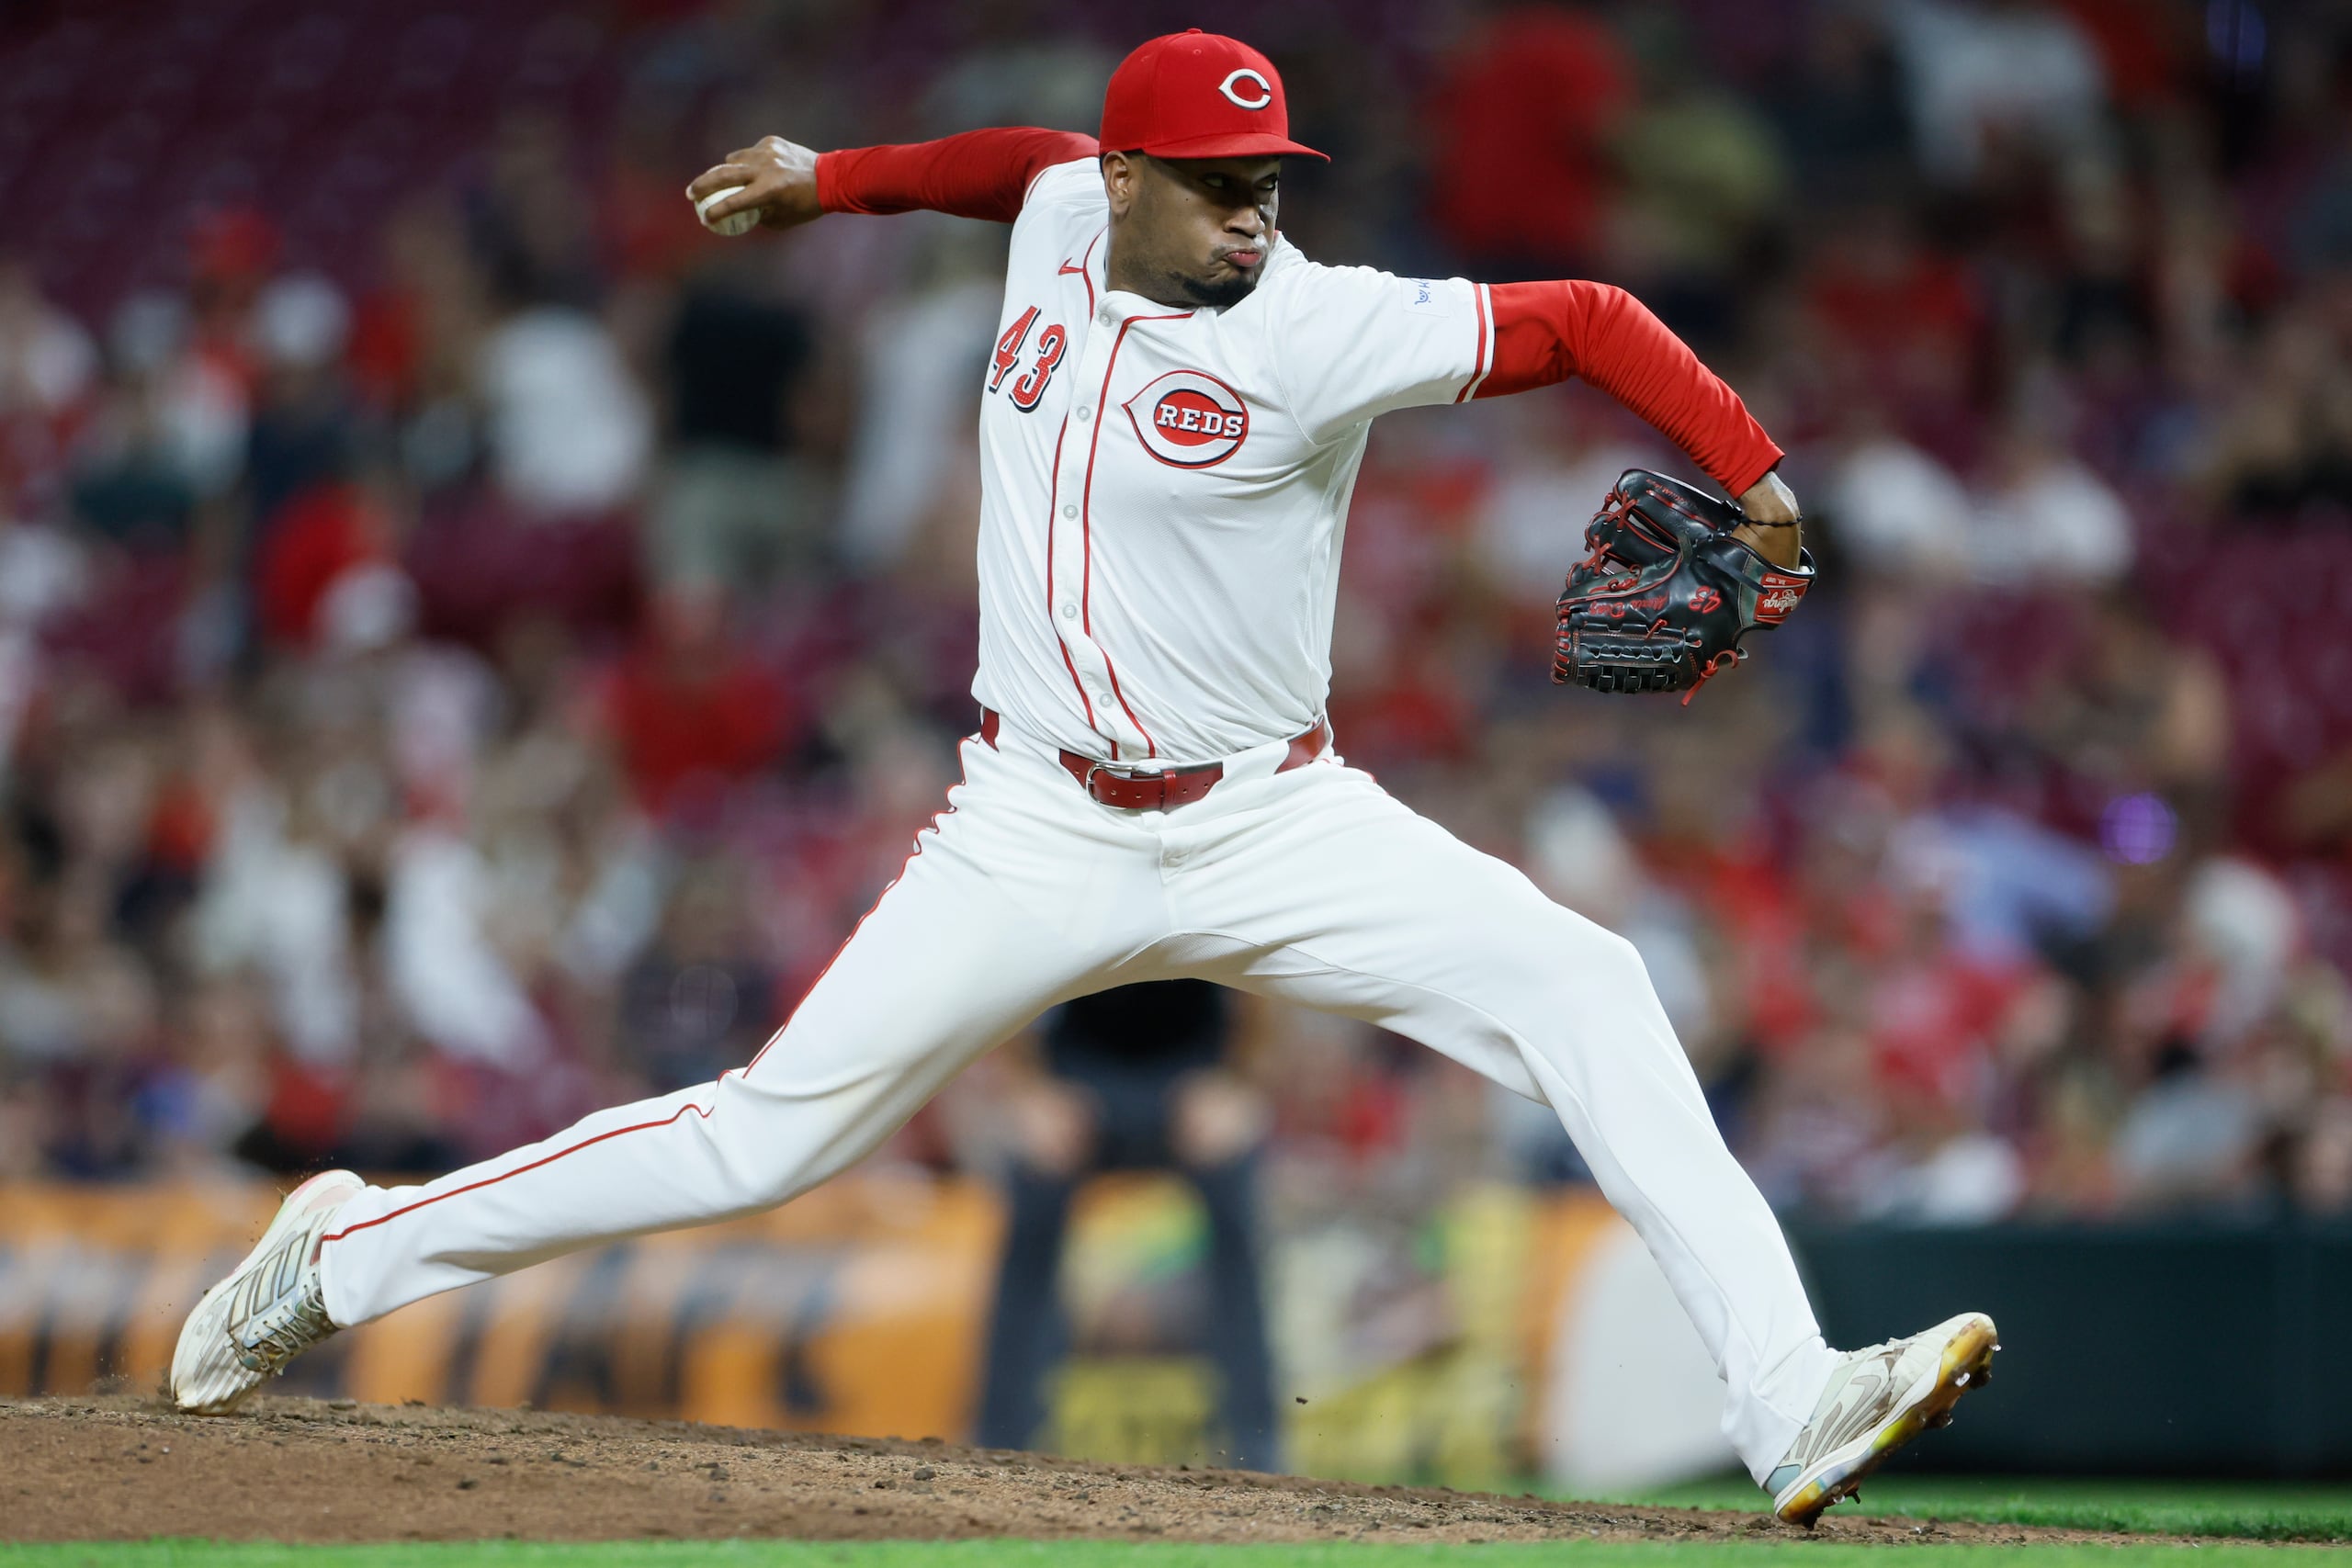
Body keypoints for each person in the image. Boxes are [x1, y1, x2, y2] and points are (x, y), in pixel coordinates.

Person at [171, 30, 1995, 1526]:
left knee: (1584, 980)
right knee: (762, 1137)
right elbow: (1021, 153)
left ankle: (1787, 1398)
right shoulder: (1064, 205)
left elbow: (1587, 314)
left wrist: (1750, 471)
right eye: (1213, 182)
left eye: (1266, 178)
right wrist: (833, 180)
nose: (1247, 212)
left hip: (1273, 816)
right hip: (1033, 819)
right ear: (1128, 182)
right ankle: (339, 1255)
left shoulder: (1318, 324)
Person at [977, 980, 1278, 1470]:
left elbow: (1264, 977)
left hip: (1193, 1068)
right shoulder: (1064, 902)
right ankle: (1000, 1443)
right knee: (1031, 1208)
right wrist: (1030, 1090)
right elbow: (1011, 970)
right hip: (1076, 1069)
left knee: (1237, 1212)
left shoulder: (1198, 901)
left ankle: (1259, 1447)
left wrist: (1239, 1085)